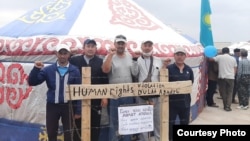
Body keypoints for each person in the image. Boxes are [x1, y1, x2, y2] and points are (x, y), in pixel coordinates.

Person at [28, 44, 82, 141]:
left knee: (69, 134)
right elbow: (32, 82)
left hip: (68, 106)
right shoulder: (48, 70)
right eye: (60, 53)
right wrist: (36, 69)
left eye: (65, 53)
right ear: (56, 54)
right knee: (51, 132)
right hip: (52, 106)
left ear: (69, 54)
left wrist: (78, 110)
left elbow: (78, 91)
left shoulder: (74, 70)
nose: (62, 56)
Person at [69, 39, 109, 141]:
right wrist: (69, 53)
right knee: (77, 125)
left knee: (94, 125)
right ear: (84, 48)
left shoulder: (101, 61)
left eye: (92, 46)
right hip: (77, 99)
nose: (90, 49)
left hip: (95, 99)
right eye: (88, 46)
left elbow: (105, 79)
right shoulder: (74, 60)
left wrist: (105, 96)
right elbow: (61, 64)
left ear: (96, 49)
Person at [102, 34, 138, 141]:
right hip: (114, 95)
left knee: (127, 122)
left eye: (122, 43)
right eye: (119, 43)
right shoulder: (109, 56)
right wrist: (110, 55)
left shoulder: (130, 56)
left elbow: (135, 73)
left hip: (128, 94)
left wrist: (136, 59)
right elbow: (105, 70)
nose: (120, 45)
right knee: (114, 122)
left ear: (125, 45)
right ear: (114, 44)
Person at [133, 40, 170, 141]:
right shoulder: (137, 59)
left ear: (152, 47)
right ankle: (144, 139)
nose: (147, 48)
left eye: (149, 46)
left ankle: (158, 139)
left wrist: (164, 66)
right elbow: (135, 74)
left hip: (156, 95)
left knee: (157, 120)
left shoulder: (158, 60)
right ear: (141, 47)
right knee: (143, 119)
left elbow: (161, 75)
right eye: (145, 45)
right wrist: (135, 60)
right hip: (142, 95)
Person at [167, 47, 194, 141]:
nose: (180, 57)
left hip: (185, 102)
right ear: (174, 56)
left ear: (185, 56)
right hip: (171, 103)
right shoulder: (168, 68)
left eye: (182, 55)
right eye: (178, 54)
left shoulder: (189, 69)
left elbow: (191, 83)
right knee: (170, 124)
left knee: (184, 123)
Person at [210, 47, 237, 111]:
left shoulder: (220, 57)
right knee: (230, 92)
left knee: (224, 92)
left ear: (222, 51)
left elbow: (211, 59)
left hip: (222, 77)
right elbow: (235, 68)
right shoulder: (233, 58)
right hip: (231, 77)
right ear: (229, 51)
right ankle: (228, 106)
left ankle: (225, 106)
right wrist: (233, 74)